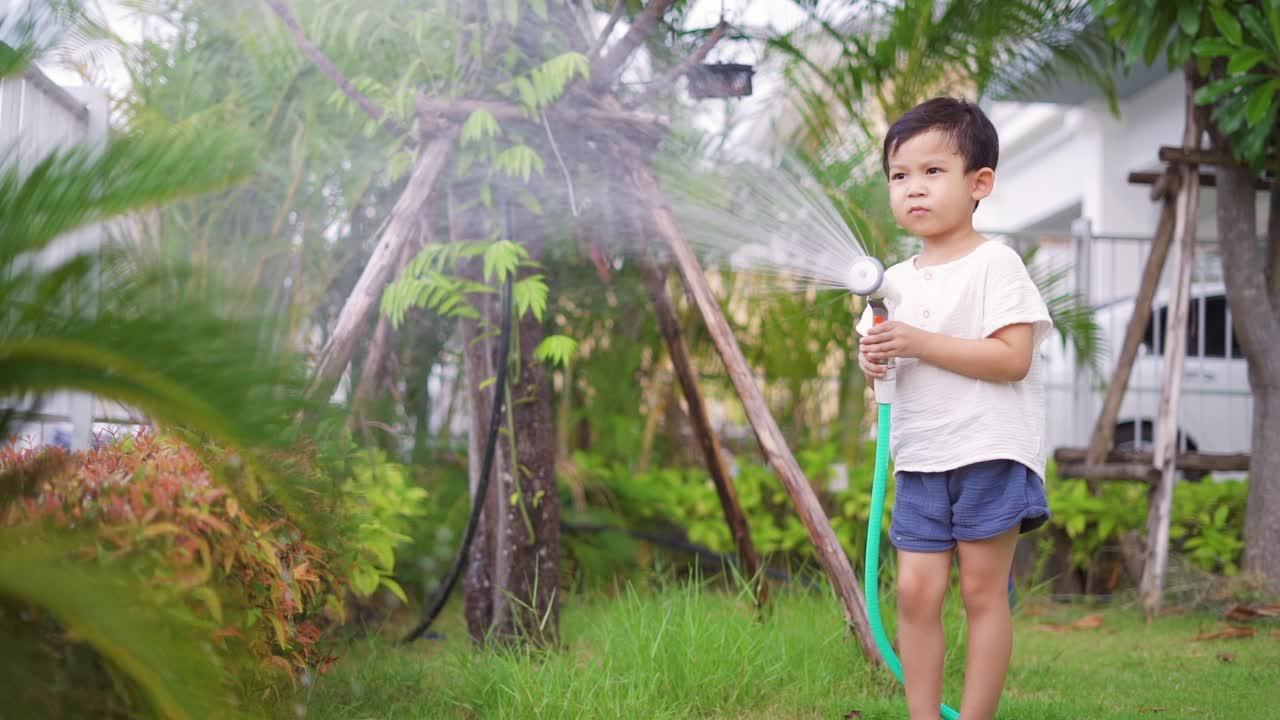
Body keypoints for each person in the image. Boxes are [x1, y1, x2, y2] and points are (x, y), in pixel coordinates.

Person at [856, 97, 1052, 720]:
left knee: (980, 590)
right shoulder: (890, 280)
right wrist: (875, 362)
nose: (913, 188)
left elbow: (1012, 358)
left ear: (979, 183)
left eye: (932, 172)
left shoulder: (996, 263)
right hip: (920, 456)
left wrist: (918, 343)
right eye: (899, 175)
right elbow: (882, 364)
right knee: (915, 592)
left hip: (989, 451)